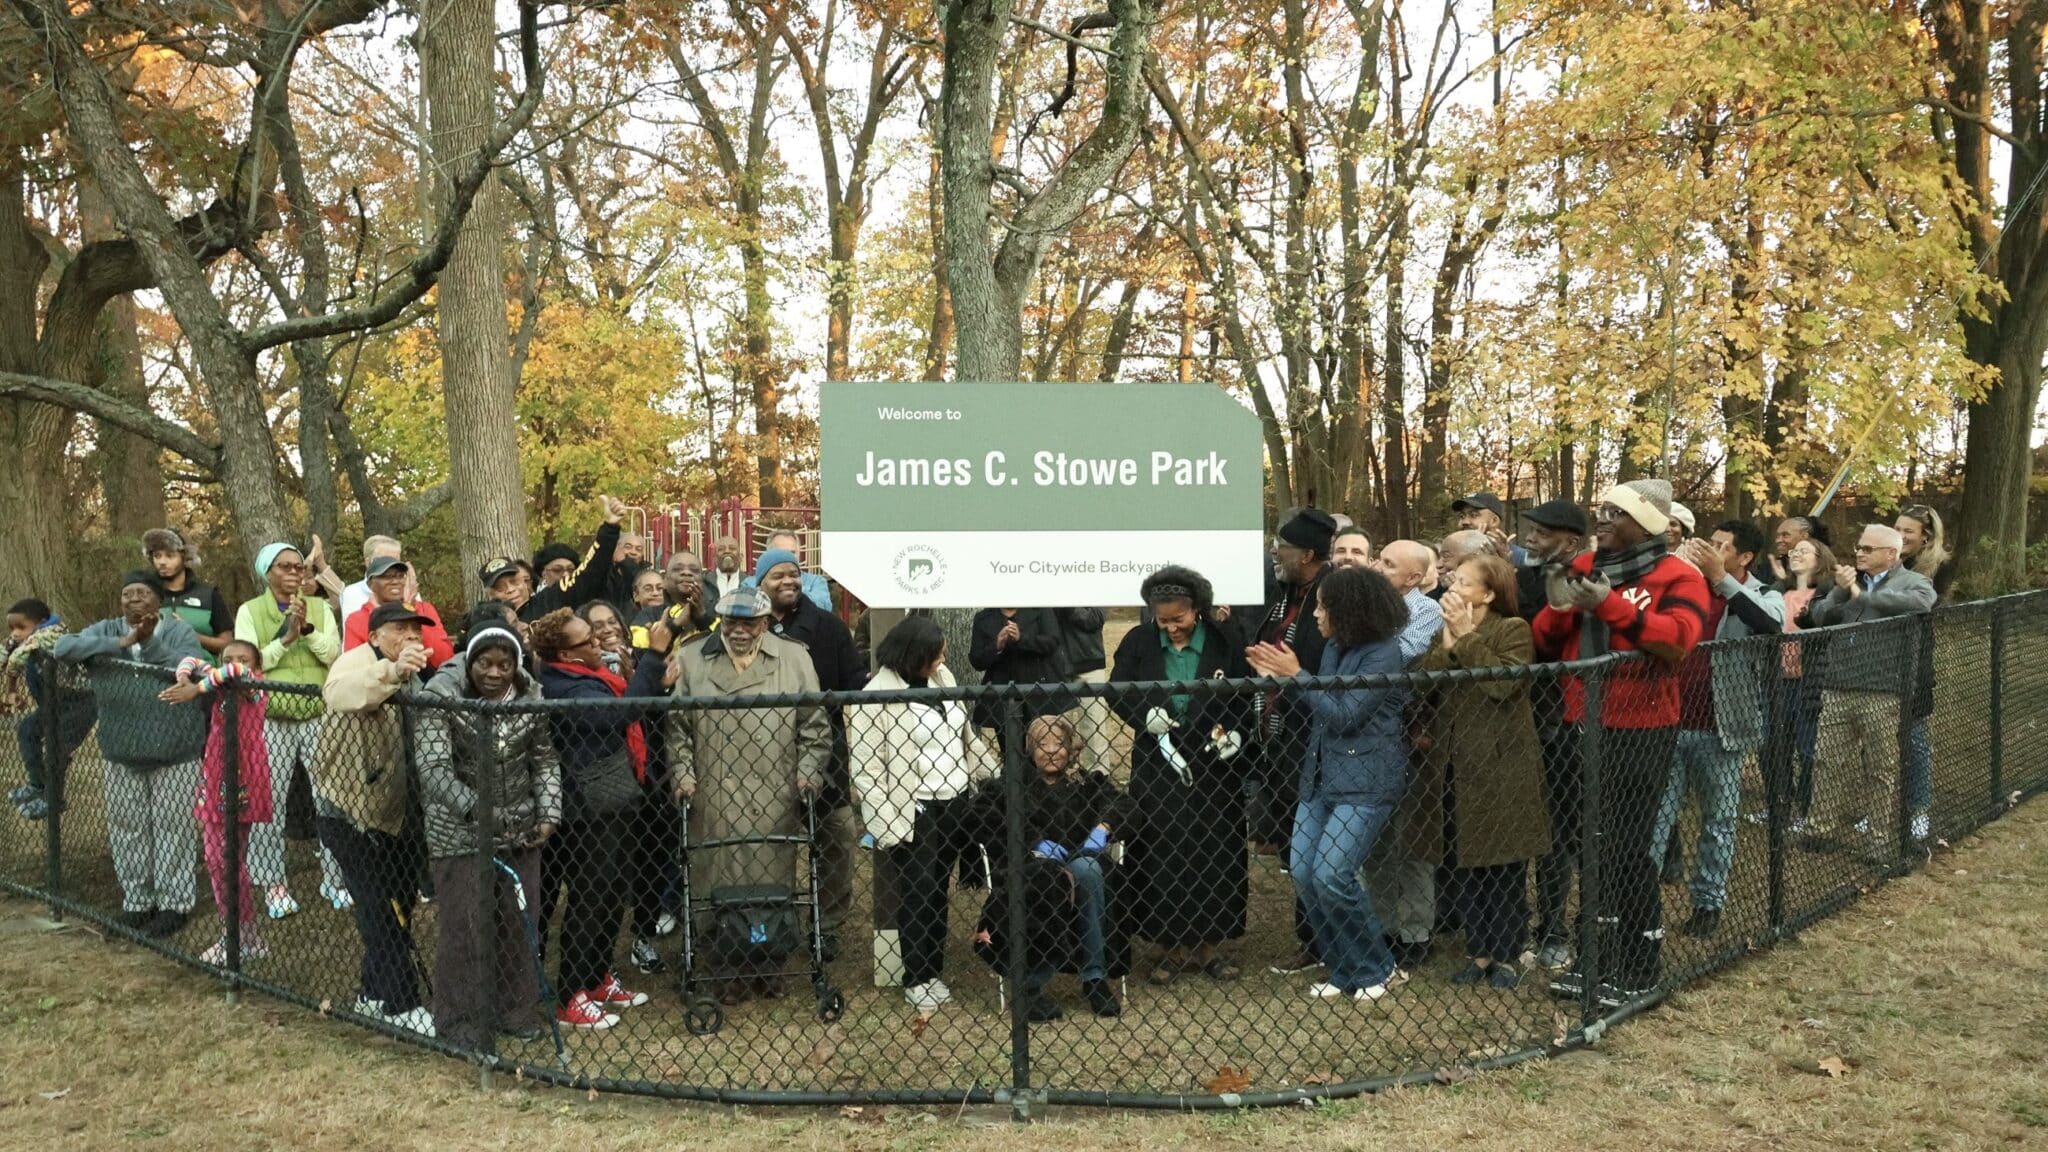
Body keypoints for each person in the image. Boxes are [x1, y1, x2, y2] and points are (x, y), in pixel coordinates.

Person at [1532, 479, 1708, 1006]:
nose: (1602, 519)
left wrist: (1611, 606)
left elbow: (1676, 642)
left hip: (1640, 728)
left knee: (1627, 849)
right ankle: (1595, 961)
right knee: (1588, 847)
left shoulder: (1679, 575)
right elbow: (1544, 641)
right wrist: (1559, 607)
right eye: (1600, 510)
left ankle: (1638, 965)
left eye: (1616, 512)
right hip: (1575, 723)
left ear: (1648, 524)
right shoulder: (1583, 567)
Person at [668, 588, 832, 1004]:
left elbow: (815, 726)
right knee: (713, 877)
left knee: (771, 878)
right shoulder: (691, 659)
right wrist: (684, 778)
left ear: (765, 622)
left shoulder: (794, 658)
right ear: (720, 620)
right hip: (714, 790)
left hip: (775, 792)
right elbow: (677, 730)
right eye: (731, 622)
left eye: (749, 623)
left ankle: (769, 963)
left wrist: (808, 776)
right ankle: (724, 967)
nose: (739, 630)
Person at [1259, 566, 1410, 1001]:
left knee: (1333, 874)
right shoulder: (1333, 647)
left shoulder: (1383, 654)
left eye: (1324, 607)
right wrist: (1279, 676)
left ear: (1349, 610)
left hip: (1366, 779)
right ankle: (1343, 968)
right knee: (1305, 874)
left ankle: (1377, 967)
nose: (1316, 615)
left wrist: (1297, 676)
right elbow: (1320, 706)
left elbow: (1346, 714)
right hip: (1321, 775)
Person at [416, 625, 565, 1047]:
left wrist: (549, 811)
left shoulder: (530, 700)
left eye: (505, 664)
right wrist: (481, 812)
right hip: (459, 831)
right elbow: (434, 770)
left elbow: (545, 760)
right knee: (465, 928)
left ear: (517, 665)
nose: (495, 673)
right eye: (485, 663)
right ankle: (457, 1019)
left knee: (520, 923)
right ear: (470, 661)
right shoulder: (441, 697)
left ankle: (513, 1011)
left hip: (520, 827)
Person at [1108, 566, 1254, 986]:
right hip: (1158, 763)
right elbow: (1118, 688)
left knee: (1215, 851)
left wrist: (1235, 732)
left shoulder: (1226, 639)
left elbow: (1245, 693)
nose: (1171, 628)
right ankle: (1168, 947)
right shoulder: (1138, 642)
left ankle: (1210, 947)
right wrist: (1142, 715)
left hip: (1213, 762)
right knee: (1161, 850)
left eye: (1179, 619)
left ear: (1198, 610)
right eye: (1163, 620)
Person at [1411, 555, 1549, 987]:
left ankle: (1507, 954)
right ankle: (1479, 951)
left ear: (1488, 594)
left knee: (1503, 863)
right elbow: (1422, 684)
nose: (1453, 590)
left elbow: (1502, 683)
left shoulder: (1513, 630)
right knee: (1466, 861)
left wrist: (1467, 637)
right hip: (1453, 766)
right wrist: (1449, 645)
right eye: (1453, 582)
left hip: (1501, 767)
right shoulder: (1444, 630)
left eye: (1464, 584)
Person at [846, 615, 996, 1014]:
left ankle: (935, 970)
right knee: (918, 894)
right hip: (914, 810)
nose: (943, 656)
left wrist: (992, 775)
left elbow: (966, 737)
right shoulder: (875, 695)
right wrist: (887, 823)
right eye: (936, 651)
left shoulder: (943, 677)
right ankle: (917, 977)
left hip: (956, 802)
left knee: (938, 893)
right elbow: (867, 768)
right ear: (914, 655)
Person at [529, 607, 666, 1028]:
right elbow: (620, 712)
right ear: (567, 655)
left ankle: (596, 976)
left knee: (612, 894)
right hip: (588, 807)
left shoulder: (586, 676)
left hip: (615, 797)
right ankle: (571, 994)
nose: (598, 642)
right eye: (587, 640)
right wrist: (655, 658)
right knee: (590, 898)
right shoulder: (563, 687)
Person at [53, 573, 208, 937]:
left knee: (173, 829)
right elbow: (63, 648)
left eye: (142, 593)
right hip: (120, 750)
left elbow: (187, 666)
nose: (134, 598)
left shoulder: (178, 630)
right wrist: (121, 641)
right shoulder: (106, 628)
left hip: (175, 751)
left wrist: (148, 642)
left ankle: (174, 904)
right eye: (127, 593)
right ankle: (138, 902)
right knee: (128, 830)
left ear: (158, 600)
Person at [312, 601, 438, 1037]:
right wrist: (392, 671)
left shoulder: (418, 673)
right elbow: (342, 695)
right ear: (374, 636)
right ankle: (402, 1004)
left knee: (399, 902)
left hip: (397, 813)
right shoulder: (356, 662)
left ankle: (372, 994)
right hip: (348, 813)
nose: (410, 638)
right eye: (399, 629)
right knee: (377, 909)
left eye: (415, 631)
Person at [1654, 522, 1784, 937]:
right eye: (1709, 544)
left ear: (1744, 557)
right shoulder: (1681, 586)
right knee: (1656, 818)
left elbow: (1769, 625)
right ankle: (1639, 903)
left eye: (1722, 547)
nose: (1710, 551)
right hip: (1666, 725)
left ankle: (1707, 905)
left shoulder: (1762, 595)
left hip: (1720, 730)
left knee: (1719, 821)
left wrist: (1720, 578)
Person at [970, 713, 1127, 1021]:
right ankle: (1031, 987)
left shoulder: (1086, 781)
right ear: (1030, 749)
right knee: (1048, 879)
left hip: (1081, 861)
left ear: (1071, 749)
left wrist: (1103, 827)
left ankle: (1095, 978)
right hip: (1033, 869)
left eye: (1059, 743)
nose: (1052, 750)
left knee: (1087, 871)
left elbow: (1124, 804)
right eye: (1043, 743)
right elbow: (979, 815)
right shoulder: (1011, 784)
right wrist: (1031, 841)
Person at [1803, 524, 1936, 855]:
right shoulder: (1848, 583)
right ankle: (1821, 829)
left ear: (1891, 554)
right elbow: (1819, 617)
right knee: (1827, 762)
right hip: (1837, 685)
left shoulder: (1914, 582)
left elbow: (1921, 604)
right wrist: (1839, 590)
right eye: (1859, 548)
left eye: (1867, 549)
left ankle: (1877, 839)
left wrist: (1864, 597)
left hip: (1882, 690)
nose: (1859, 553)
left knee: (1880, 768)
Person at [757, 547, 865, 954]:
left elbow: (854, 679)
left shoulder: (829, 627)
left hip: (825, 752)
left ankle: (827, 924)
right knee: (770, 841)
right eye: (777, 576)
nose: (787, 582)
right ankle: (769, 919)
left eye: (793, 575)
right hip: (764, 753)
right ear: (760, 583)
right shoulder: (748, 627)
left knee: (838, 834)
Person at [1243, 508, 1336, 974]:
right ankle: (1312, 939)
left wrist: (1288, 672)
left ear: (1310, 554)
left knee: (1317, 846)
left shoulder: (1333, 595)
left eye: (1283, 546)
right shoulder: (1283, 594)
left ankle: (1326, 941)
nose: (1275, 552)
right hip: (1277, 735)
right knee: (1295, 846)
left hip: (1315, 734)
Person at [234, 542, 347, 918]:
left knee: (331, 800)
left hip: (318, 716)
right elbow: (248, 662)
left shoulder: (320, 608)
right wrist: (285, 640)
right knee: (269, 803)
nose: (294, 573)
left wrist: (307, 629)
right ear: (267, 572)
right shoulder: (249, 612)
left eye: (299, 566)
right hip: (271, 719)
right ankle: (274, 884)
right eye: (284, 566)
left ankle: (335, 879)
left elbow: (334, 654)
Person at [1512, 499, 1590, 970]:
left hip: (1565, 720)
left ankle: (1554, 927)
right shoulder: (1518, 580)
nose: (1531, 539)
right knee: (1517, 826)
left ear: (1571, 542)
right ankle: (1515, 923)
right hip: (1517, 716)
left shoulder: (1591, 585)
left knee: (1559, 831)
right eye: (1530, 531)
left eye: (1542, 533)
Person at [161, 641, 274, 963]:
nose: (235, 663)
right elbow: (190, 658)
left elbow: (236, 671)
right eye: (228, 657)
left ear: (257, 665)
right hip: (215, 772)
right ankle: (239, 933)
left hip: (243, 777)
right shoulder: (220, 682)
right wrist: (185, 678)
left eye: (244, 658)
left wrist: (196, 689)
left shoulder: (253, 685)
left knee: (228, 858)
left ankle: (242, 936)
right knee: (215, 857)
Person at [1363, 539, 1444, 967]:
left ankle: (1416, 933)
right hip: (1365, 733)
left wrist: (1365, 648)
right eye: (1379, 558)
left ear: (1413, 578)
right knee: (1375, 841)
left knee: (1411, 839)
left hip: (1407, 736)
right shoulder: (1368, 604)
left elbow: (1401, 656)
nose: (1377, 567)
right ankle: (1383, 927)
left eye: (1389, 564)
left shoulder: (1425, 610)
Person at [6, 599, 92, 822]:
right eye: (11, 628)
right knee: (27, 731)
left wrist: (11, 686)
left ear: (40, 623)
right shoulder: (26, 637)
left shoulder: (51, 634)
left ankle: (53, 800)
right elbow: (6, 651)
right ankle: (38, 785)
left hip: (80, 703)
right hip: (54, 704)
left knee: (56, 748)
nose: (15, 633)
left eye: (20, 627)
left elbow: (16, 657)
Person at [478, 496, 627, 623]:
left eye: (514, 581)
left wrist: (610, 528)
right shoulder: (483, 621)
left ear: (524, 582)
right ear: (489, 594)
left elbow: (588, 575)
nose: (510, 590)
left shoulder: (548, 601)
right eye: (500, 587)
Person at [1896, 503, 1950, 841]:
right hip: (1882, 659)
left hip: (1915, 662)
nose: (1900, 537)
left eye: (1908, 532)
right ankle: (1888, 806)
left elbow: (1926, 605)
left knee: (1913, 740)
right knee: (1881, 742)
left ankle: (1918, 809)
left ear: (1926, 536)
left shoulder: (1940, 568)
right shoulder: (1888, 561)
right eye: (1896, 529)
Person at [1775, 538, 1837, 827]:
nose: (1796, 555)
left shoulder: (1826, 594)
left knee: (1808, 748)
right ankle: (1780, 806)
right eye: (1793, 552)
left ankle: (1806, 808)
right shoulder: (1779, 592)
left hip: (1809, 680)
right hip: (1777, 680)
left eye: (1803, 551)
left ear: (1820, 558)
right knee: (1776, 747)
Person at [968, 606, 1069, 741]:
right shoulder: (983, 618)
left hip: (1039, 694)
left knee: (1041, 749)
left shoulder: (1040, 609)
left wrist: (1022, 638)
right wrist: (997, 645)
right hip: (1002, 698)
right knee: (1010, 753)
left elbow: (1052, 641)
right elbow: (977, 660)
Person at [342, 555, 454, 668]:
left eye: (400, 576)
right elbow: (354, 667)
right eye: (386, 576)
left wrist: (410, 613)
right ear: (370, 584)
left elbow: (445, 658)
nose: (395, 581)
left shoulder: (425, 609)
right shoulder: (357, 619)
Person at [144, 528, 235, 658]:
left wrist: (191, 635)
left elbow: (228, 645)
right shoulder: (146, 594)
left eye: (170, 555)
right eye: (157, 556)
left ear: (185, 556)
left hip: (201, 674)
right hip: (156, 673)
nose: (162, 562)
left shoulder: (208, 594)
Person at [1053, 606, 1112, 772]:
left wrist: (1067, 603)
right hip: (1054, 666)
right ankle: (1058, 781)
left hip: (1089, 662)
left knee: (1094, 729)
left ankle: (1098, 780)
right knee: (1056, 731)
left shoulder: (1093, 581)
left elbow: (1093, 619)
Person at [754, 529, 834, 611]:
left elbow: (824, 608)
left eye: (792, 553)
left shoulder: (816, 581)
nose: (788, 557)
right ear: (768, 554)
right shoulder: (749, 583)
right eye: (782, 552)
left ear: (799, 553)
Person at [339, 535, 404, 623]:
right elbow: (355, 629)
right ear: (368, 562)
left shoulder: (408, 591)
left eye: (395, 562)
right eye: (384, 561)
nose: (391, 566)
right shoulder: (352, 593)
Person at [1451, 493, 1528, 565]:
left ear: (1494, 521)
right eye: (1462, 516)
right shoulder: (1454, 558)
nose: (1465, 522)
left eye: (1474, 515)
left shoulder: (1522, 558)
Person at [1434, 529, 1501, 595]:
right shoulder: (1430, 601)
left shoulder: (1499, 597)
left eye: (1446, 556)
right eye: (1439, 557)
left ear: (1476, 558)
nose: (1438, 565)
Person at [578, 600, 634, 678]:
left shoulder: (637, 655)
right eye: (598, 626)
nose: (608, 629)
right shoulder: (588, 672)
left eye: (612, 622)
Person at [707, 536, 746, 601]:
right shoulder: (704, 583)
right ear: (715, 558)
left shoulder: (750, 583)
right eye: (721, 549)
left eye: (732, 548)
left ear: (740, 557)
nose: (727, 551)